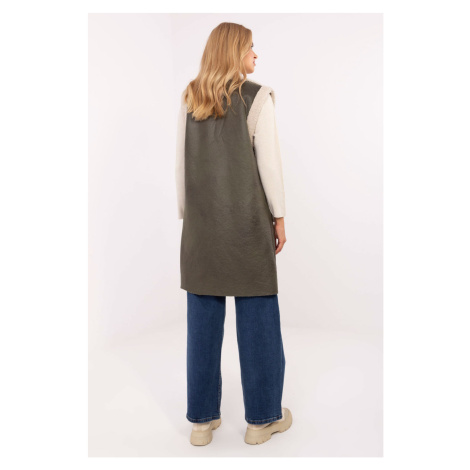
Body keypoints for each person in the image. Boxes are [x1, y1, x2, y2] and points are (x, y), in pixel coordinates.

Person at [175, 22, 292, 446]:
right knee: (258, 317)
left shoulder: (191, 97)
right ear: (234, 52)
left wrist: (189, 218)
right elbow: (269, 165)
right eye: (250, 48)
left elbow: (180, 165)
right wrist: (279, 216)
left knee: (202, 325)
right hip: (246, 227)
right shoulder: (257, 97)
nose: (255, 55)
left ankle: (201, 423)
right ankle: (262, 420)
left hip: (201, 229)